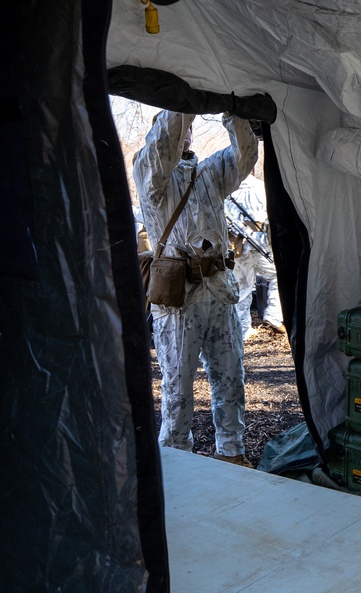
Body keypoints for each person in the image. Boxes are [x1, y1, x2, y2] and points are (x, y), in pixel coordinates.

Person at [133, 111, 258, 467]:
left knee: (231, 378)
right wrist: (181, 106)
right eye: (181, 128)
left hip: (218, 291)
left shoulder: (208, 174)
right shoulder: (150, 174)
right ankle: (176, 461)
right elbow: (163, 144)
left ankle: (232, 452)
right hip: (178, 300)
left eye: (189, 129)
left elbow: (244, 157)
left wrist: (235, 115)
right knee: (178, 388)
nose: (185, 134)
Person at [224, 174, 284, 338]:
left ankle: (241, 330)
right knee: (278, 277)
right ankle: (274, 315)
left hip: (237, 246)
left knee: (241, 288)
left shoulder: (228, 191)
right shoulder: (261, 187)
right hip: (261, 243)